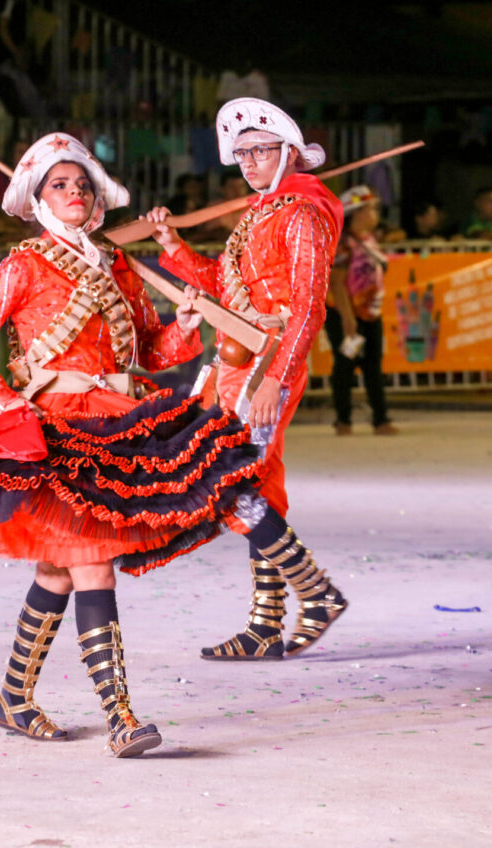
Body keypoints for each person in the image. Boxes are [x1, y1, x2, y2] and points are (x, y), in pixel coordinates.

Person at [0, 133, 264, 757]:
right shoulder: (24, 264)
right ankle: (121, 717)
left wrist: (185, 330)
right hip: (52, 428)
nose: (75, 193)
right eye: (60, 185)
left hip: (111, 422)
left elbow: (149, 354)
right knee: (90, 562)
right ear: (38, 198)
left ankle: (13, 697)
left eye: (82, 185)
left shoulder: (117, 267)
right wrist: (4, 404)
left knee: (59, 569)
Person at [148, 97, 348, 661]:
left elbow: (308, 307)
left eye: (260, 150)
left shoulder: (303, 213)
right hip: (236, 362)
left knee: (232, 483)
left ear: (289, 153)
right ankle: (267, 624)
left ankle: (315, 591)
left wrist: (273, 379)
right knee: (255, 485)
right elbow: (220, 284)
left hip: (267, 362)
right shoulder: (261, 211)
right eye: (241, 155)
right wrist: (171, 248)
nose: (249, 162)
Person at [325, 185, 395, 437]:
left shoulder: (368, 240)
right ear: (357, 213)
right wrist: (347, 318)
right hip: (346, 315)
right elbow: (337, 283)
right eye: (371, 209)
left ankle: (380, 418)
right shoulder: (343, 245)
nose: (376, 213)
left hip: (370, 314)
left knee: (373, 366)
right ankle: (343, 419)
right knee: (345, 366)